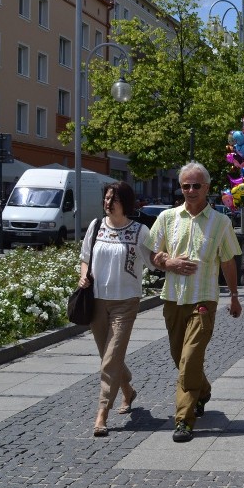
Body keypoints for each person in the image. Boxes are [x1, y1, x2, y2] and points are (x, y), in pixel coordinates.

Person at [147, 162, 242, 443]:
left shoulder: (221, 222)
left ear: (207, 188)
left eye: (196, 185)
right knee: (179, 357)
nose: (190, 190)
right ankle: (202, 390)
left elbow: (228, 262)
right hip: (173, 299)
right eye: (186, 185)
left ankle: (184, 420)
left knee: (189, 360)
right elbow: (154, 254)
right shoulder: (167, 217)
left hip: (204, 300)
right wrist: (168, 261)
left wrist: (234, 297)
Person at [78, 181, 154, 438]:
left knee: (111, 358)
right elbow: (85, 257)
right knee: (108, 355)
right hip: (97, 300)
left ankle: (102, 413)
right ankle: (128, 391)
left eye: (115, 199)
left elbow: (153, 261)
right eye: (107, 198)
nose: (108, 203)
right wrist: (83, 276)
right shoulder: (96, 226)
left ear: (126, 203)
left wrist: (170, 260)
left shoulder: (139, 231)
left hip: (126, 301)